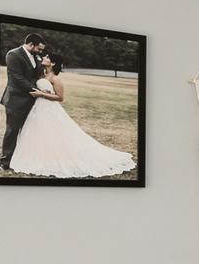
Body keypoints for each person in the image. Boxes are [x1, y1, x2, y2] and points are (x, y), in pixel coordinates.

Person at [7, 57, 137, 178]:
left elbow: (60, 97)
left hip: (49, 108)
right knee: (40, 132)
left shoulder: (55, 78)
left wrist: (41, 94)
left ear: (52, 63)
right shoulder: (42, 75)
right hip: (38, 108)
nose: (44, 58)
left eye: (47, 57)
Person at [0, 33, 46, 170]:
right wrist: (38, 90)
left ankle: (21, 160)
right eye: (39, 49)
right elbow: (17, 78)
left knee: (27, 131)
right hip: (16, 100)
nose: (40, 52)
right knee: (12, 131)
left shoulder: (36, 57)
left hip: (31, 101)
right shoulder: (13, 55)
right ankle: (5, 162)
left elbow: (38, 74)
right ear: (31, 44)